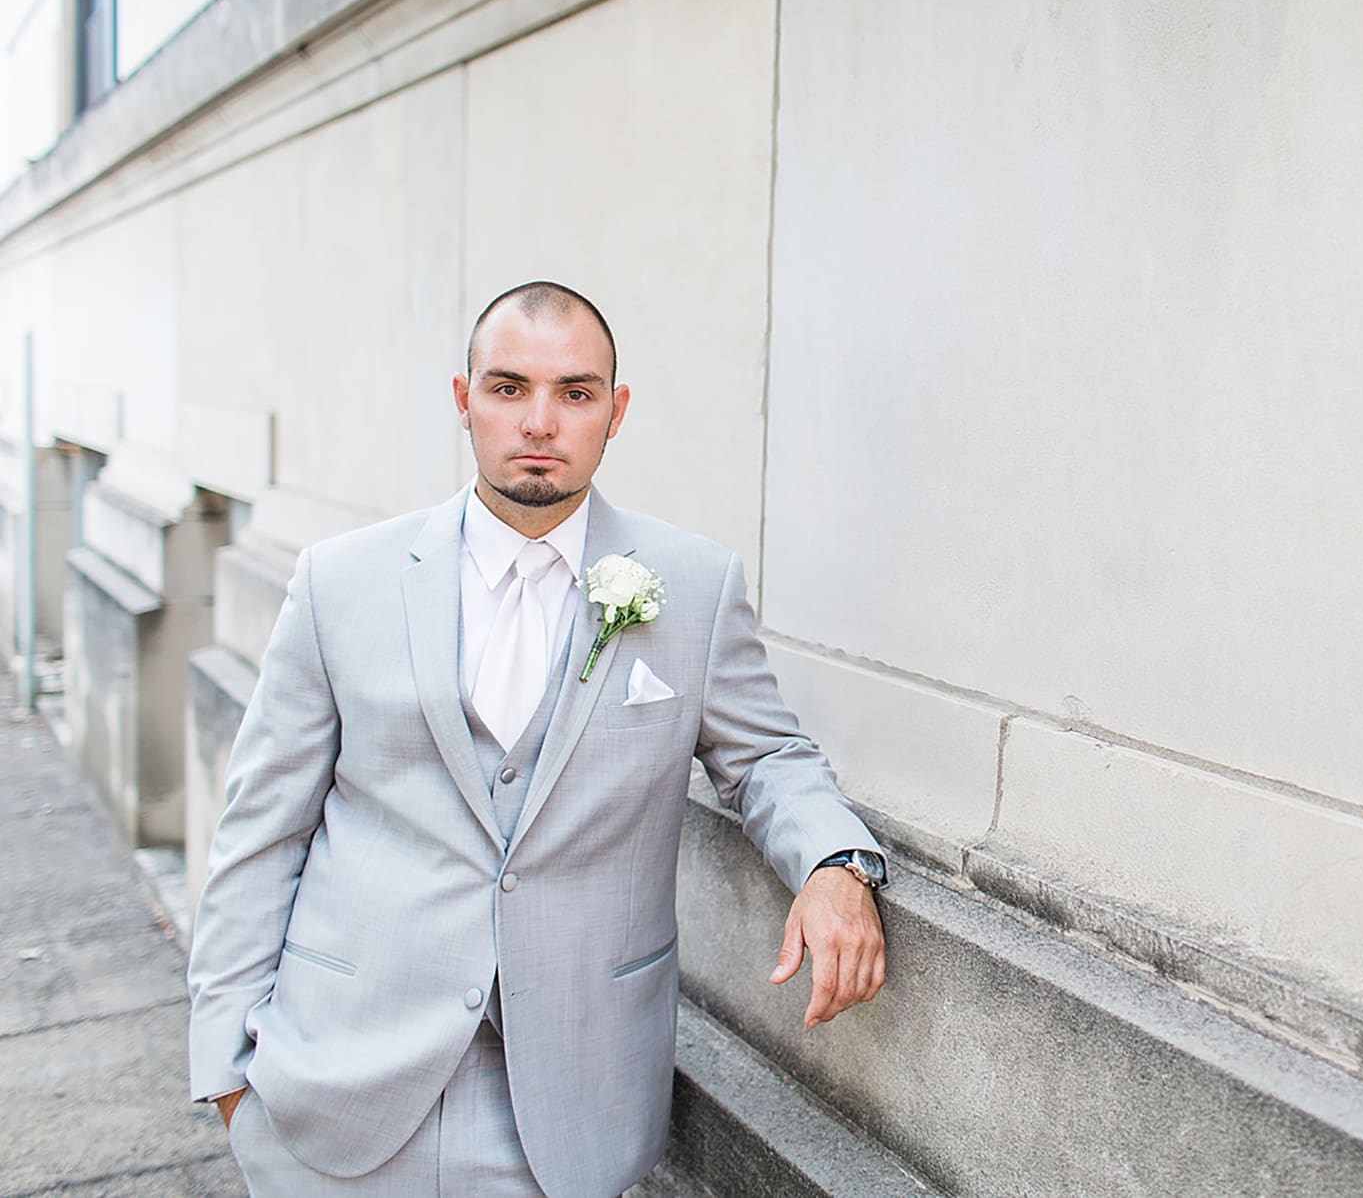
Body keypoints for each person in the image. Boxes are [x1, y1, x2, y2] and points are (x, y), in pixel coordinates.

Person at [186, 280, 889, 1196]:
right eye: (509, 388)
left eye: (576, 392)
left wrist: (837, 865)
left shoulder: (692, 584)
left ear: (615, 411)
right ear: (463, 399)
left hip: (565, 1108)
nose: (540, 422)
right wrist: (229, 1072)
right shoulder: (340, 582)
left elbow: (766, 758)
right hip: (335, 1082)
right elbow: (262, 829)